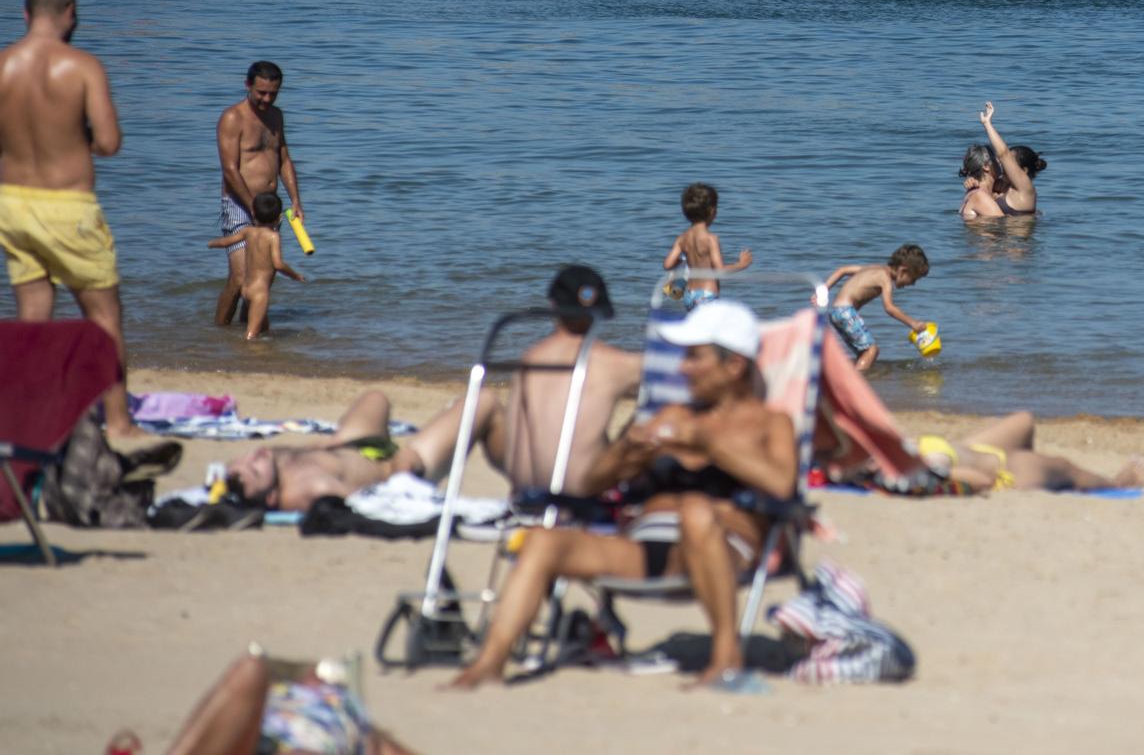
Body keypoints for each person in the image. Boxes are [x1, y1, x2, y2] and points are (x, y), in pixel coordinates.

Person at [450, 299, 795, 692]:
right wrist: (626, 450)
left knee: (697, 510)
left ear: (733, 366)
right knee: (543, 542)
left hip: (723, 548)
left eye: (695, 358)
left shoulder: (771, 424)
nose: (683, 368)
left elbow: (783, 485)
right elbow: (592, 483)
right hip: (650, 551)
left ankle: (725, 658)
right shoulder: (671, 416)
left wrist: (707, 442)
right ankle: (489, 665)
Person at [226, 266, 641, 510]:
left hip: (350, 447)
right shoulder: (308, 492)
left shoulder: (533, 353)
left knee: (377, 396)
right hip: (401, 463)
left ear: (552, 309)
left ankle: (526, 477)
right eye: (250, 473)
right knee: (488, 401)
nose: (251, 462)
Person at [0, 0, 141, 440]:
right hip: (67, 204)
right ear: (70, 13)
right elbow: (109, 142)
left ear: (25, 14)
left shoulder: (3, 65)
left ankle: (22, 420)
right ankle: (119, 421)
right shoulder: (82, 67)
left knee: (34, 313)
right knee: (102, 316)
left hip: (12, 203)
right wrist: (70, 136)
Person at [160, 648, 420, 755]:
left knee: (251, 670)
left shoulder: (356, 725)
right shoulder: (356, 723)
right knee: (251, 670)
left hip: (271, 740)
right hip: (274, 736)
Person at [215, 60, 303, 330]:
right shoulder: (233, 118)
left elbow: (284, 159)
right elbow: (230, 169)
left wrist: (296, 200)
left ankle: (246, 331)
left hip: (270, 208)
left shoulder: (276, 116)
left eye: (273, 93)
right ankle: (219, 331)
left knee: (262, 279)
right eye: (261, 93)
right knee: (240, 278)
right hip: (240, 205)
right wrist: (251, 206)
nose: (267, 99)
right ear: (248, 85)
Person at [916, 412, 1144, 493]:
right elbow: (983, 482)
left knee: (1024, 421)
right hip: (1005, 472)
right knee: (1063, 466)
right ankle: (1116, 484)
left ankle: (1039, 469)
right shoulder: (928, 469)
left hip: (972, 449)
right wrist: (939, 470)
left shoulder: (890, 453)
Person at [206, 192, 304, 340]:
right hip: (259, 293)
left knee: (264, 328)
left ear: (253, 213)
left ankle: (260, 356)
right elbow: (278, 263)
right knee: (252, 335)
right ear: (279, 218)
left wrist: (212, 243)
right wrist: (294, 275)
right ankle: (246, 357)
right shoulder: (273, 237)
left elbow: (226, 242)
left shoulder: (248, 231)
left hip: (246, 288)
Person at [821, 243, 930, 371]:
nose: (913, 284)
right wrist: (913, 323)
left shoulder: (874, 268)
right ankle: (855, 383)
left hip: (835, 313)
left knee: (864, 353)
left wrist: (822, 291)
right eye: (913, 279)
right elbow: (889, 308)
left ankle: (847, 375)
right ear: (902, 270)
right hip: (846, 312)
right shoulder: (885, 279)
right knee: (872, 351)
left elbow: (843, 270)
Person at [662, 182, 752, 310]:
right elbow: (720, 270)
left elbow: (667, 265)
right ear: (712, 211)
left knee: (697, 328)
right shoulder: (711, 239)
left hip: (689, 295)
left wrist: (683, 259)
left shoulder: (682, 238)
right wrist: (742, 264)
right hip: (707, 296)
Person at [958, 101, 1043, 222]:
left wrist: (987, 124)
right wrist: (971, 180)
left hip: (1019, 241)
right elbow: (982, 183)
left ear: (1023, 171)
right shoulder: (1001, 187)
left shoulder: (1025, 188)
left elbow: (1004, 154)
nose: (1003, 164)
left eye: (1010, 164)